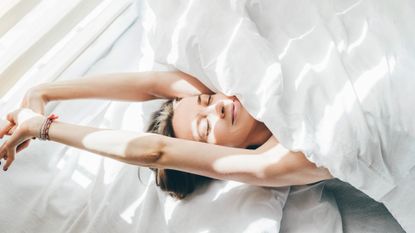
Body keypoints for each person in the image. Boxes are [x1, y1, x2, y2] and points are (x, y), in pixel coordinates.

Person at [0, 71, 333, 199]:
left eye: (206, 99)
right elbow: (158, 152)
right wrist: (42, 128)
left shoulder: (245, 83)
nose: (216, 108)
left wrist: (41, 91)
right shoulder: (278, 159)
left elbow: (151, 86)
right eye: (204, 128)